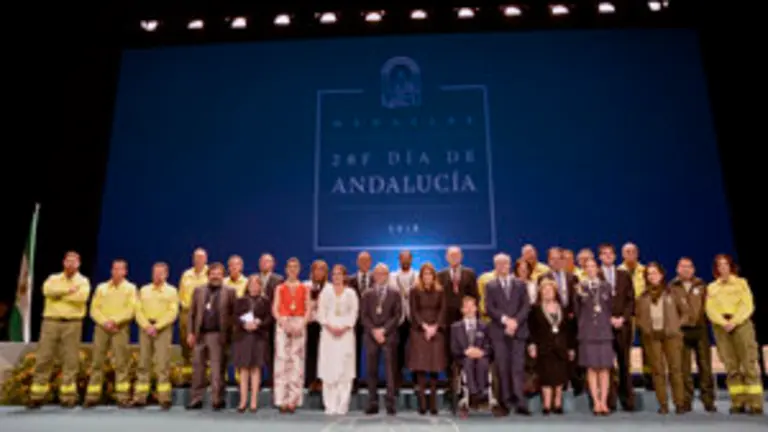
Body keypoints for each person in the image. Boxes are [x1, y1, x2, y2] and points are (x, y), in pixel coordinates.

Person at [27, 251, 91, 409]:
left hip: (72, 324)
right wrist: (68, 291)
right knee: (44, 357)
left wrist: (59, 295)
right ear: (63, 262)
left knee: (70, 360)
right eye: (68, 261)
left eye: (74, 261)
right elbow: (47, 291)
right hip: (51, 322)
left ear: (79, 264)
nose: (70, 264)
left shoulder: (83, 281)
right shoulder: (53, 278)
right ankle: (37, 395)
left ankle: (68, 396)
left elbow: (81, 298)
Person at [705, 254, 763, 415]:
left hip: (741, 325)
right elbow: (710, 308)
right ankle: (737, 402)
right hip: (721, 328)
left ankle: (755, 403)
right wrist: (723, 323)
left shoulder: (741, 283)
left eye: (725, 264)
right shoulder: (712, 287)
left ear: (731, 266)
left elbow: (747, 304)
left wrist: (735, 321)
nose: (723, 268)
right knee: (731, 366)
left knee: (748, 365)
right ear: (716, 269)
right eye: (719, 265)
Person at [635, 262, 688, 414]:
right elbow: (638, 317)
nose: (652, 276)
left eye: (655, 273)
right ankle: (663, 404)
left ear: (661, 275)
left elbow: (685, 312)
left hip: (671, 336)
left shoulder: (672, 292)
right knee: (658, 371)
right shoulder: (643, 296)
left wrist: (677, 325)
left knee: (675, 369)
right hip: (652, 337)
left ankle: (679, 403)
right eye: (649, 274)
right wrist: (644, 328)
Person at [84, 259, 137, 407]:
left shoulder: (130, 288)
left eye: (120, 269)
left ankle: (122, 397)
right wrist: (105, 322)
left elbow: (131, 309)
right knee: (96, 362)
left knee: (121, 363)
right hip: (101, 329)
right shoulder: (102, 288)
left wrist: (114, 321)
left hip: (120, 328)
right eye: (114, 269)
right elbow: (94, 309)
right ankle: (92, 396)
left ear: (125, 272)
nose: (116, 272)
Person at [484, 253, 532, 416]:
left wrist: (515, 322)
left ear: (510, 265)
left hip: (518, 331)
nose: (502, 266)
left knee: (517, 367)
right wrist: (505, 321)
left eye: (505, 263)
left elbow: (526, 306)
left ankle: (520, 401)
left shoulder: (520, 284)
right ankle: (505, 401)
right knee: (502, 368)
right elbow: (489, 308)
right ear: (495, 266)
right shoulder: (490, 286)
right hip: (499, 331)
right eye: (499, 264)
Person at [186, 262, 237, 411]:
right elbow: (191, 314)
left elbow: (234, 315)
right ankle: (196, 399)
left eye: (219, 274)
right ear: (208, 275)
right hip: (199, 335)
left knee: (217, 370)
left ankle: (217, 399)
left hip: (217, 336)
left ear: (223, 276)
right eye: (213, 273)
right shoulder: (198, 291)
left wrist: (230, 335)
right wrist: (190, 333)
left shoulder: (230, 292)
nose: (215, 276)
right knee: (198, 369)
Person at [669, 257, 717, 412]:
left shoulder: (702, 285)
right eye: (683, 267)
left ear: (693, 269)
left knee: (705, 367)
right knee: (684, 369)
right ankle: (685, 401)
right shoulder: (671, 287)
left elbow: (708, 306)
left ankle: (708, 400)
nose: (686, 269)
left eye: (689, 267)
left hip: (700, 329)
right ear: (677, 269)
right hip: (681, 332)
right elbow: (670, 310)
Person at [132, 262, 179, 409]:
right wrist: (146, 325)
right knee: (143, 362)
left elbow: (172, 312)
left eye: (161, 273)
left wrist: (157, 326)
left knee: (162, 363)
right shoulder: (144, 290)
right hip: (146, 328)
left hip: (162, 329)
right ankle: (140, 397)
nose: (157, 276)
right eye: (155, 273)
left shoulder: (171, 291)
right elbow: (137, 310)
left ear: (166, 274)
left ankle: (164, 398)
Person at [528, 278, 575, 415]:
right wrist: (532, 345)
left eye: (550, 290)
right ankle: (547, 405)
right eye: (545, 290)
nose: (548, 292)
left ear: (555, 292)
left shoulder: (563, 308)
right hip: (543, 347)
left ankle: (558, 403)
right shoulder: (535, 309)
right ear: (540, 292)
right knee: (546, 376)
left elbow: (569, 330)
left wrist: (571, 347)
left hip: (561, 347)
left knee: (560, 376)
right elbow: (531, 329)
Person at [360, 263, 402, 415]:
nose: (380, 276)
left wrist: (384, 330)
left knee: (390, 371)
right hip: (371, 337)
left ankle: (390, 403)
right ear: (373, 275)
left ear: (388, 275)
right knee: (371, 371)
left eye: (383, 273)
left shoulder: (395, 293)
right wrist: (374, 331)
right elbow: (363, 316)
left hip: (389, 336)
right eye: (377, 273)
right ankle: (372, 402)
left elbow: (397, 315)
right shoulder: (367, 294)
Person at [574, 257, 614, 416]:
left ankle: (604, 402)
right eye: (587, 267)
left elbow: (610, 307)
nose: (590, 269)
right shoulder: (579, 287)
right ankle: (596, 402)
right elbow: (577, 311)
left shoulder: (606, 286)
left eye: (593, 266)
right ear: (584, 270)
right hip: (587, 332)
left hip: (604, 331)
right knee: (591, 368)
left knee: (604, 368)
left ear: (598, 269)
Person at [540, 248, 583, 395]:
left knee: (572, 354)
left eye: (559, 258)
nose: (557, 261)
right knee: (554, 356)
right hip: (550, 324)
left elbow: (576, 301)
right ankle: (559, 386)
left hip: (569, 323)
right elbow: (540, 302)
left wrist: (573, 314)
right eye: (553, 258)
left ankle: (576, 385)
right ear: (548, 261)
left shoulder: (573, 278)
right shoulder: (542, 278)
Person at [317, 265, 359, 415]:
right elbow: (320, 312)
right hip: (328, 335)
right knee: (329, 368)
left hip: (345, 334)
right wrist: (329, 327)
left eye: (339, 274)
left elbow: (354, 313)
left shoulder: (351, 293)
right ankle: (330, 405)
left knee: (345, 370)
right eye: (334, 274)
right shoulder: (326, 292)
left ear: (344, 276)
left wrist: (344, 327)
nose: (336, 277)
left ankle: (342, 405)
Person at [598, 243, 635, 412]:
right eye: (604, 254)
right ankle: (610, 401)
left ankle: (627, 400)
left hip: (623, 326)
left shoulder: (624, 275)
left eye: (610, 254)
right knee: (607, 365)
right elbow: (596, 303)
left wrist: (623, 318)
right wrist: (609, 319)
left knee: (624, 363)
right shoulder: (596, 276)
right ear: (600, 257)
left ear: (614, 256)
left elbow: (630, 300)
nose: (607, 256)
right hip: (604, 327)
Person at [272, 258, 311, 413]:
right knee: (281, 361)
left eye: (296, 267)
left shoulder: (304, 288)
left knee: (297, 363)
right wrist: (283, 323)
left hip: (299, 324)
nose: (293, 269)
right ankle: (281, 400)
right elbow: (274, 309)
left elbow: (308, 308)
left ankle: (293, 400)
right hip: (283, 322)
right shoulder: (279, 288)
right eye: (290, 267)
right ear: (286, 269)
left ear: (299, 269)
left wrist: (301, 324)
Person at [408, 263, 447, 415]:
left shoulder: (440, 291)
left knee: (434, 367)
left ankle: (433, 404)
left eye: (430, 274)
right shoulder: (414, 290)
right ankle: (422, 404)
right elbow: (414, 311)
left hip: (436, 331)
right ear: (421, 276)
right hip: (419, 331)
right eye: (425, 274)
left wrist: (435, 327)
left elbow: (442, 310)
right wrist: (424, 327)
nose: (427, 277)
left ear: (434, 276)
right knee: (421, 368)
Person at [232, 275, 273, 413]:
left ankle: (254, 401)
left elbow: (269, 318)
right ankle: (243, 401)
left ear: (260, 287)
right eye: (251, 285)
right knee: (243, 369)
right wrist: (244, 324)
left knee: (255, 369)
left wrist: (259, 323)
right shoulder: (240, 300)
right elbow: (234, 317)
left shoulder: (265, 301)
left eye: (257, 285)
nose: (254, 287)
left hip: (258, 337)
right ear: (247, 286)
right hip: (243, 337)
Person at [437, 246, 479, 381]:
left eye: (456, 255)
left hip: (466, 318)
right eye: (451, 256)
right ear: (447, 258)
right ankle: (452, 384)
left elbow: (475, 296)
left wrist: (473, 316)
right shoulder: (440, 275)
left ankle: (468, 384)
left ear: (461, 257)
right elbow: (439, 299)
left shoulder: (470, 273)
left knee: (466, 350)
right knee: (449, 351)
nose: (454, 258)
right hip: (447, 320)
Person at [450, 296, 491, 417]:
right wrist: (465, 351)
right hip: (464, 357)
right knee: (468, 361)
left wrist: (482, 352)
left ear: (476, 309)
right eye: (466, 307)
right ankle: (473, 392)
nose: (469, 309)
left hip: (480, 356)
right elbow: (453, 347)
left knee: (482, 362)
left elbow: (489, 345)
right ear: (462, 310)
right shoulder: (455, 327)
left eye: (471, 306)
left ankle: (482, 390)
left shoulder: (484, 326)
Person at [619, 242, 650, 389]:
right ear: (622, 254)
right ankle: (626, 380)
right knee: (624, 349)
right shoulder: (618, 271)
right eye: (627, 252)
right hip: (626, 315)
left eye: (632, 251)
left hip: (643, 315)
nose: (630, 254)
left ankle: (649, 379)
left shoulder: (645, 271)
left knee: (648, 349)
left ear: (637, 253)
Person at [178, 248, 208, 381]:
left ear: (206, 259)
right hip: (186, 313)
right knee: (186, 345)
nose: (199, 260)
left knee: (203, 346)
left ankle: (204, 377)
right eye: (196, 257)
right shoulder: (186, 274)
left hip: (204, 315)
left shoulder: (209, 273)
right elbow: (181, 294)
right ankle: (187, 377)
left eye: (201, 257)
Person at [390, 250, 416, 390]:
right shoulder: (392, 276)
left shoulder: (417, 275)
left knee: (415, 351)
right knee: (397, 351)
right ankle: (397, 381)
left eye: (407, 258)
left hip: (414, 318)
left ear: (411, 259)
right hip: (398, 319)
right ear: (399, 260)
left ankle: (415, 381)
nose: (405, 261)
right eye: (402, 258)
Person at [348, 251, 373, 390]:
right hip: (354, 323)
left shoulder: (376, 280)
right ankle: (354, 382)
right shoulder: (350, 280)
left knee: (372, 354)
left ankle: (371, 382)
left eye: (367, 261)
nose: (364, 263)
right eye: (361, 261)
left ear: (370, 263)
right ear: (357, 263)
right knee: (353, 353)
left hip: (371, 322)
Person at [258, 253, 283, 386]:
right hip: (258, 323)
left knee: (273, 352)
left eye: (267, 262)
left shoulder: (278, 279)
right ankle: (258, 379)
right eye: (262, 262)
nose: (264, 264)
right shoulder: (255, 279)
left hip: (273, 322)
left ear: (272, 264)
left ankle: (273, 380)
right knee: (258, 351)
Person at [305, 260, 330, 393]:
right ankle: (310, 381)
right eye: (316, 269)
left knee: (324, 354)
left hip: (324, 326)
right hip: (309, 324)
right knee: (310, 353)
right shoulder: (306, 286)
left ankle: (322, 381)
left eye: (322, 270)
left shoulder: (329, 288)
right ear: (312, 271)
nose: (319, 272)